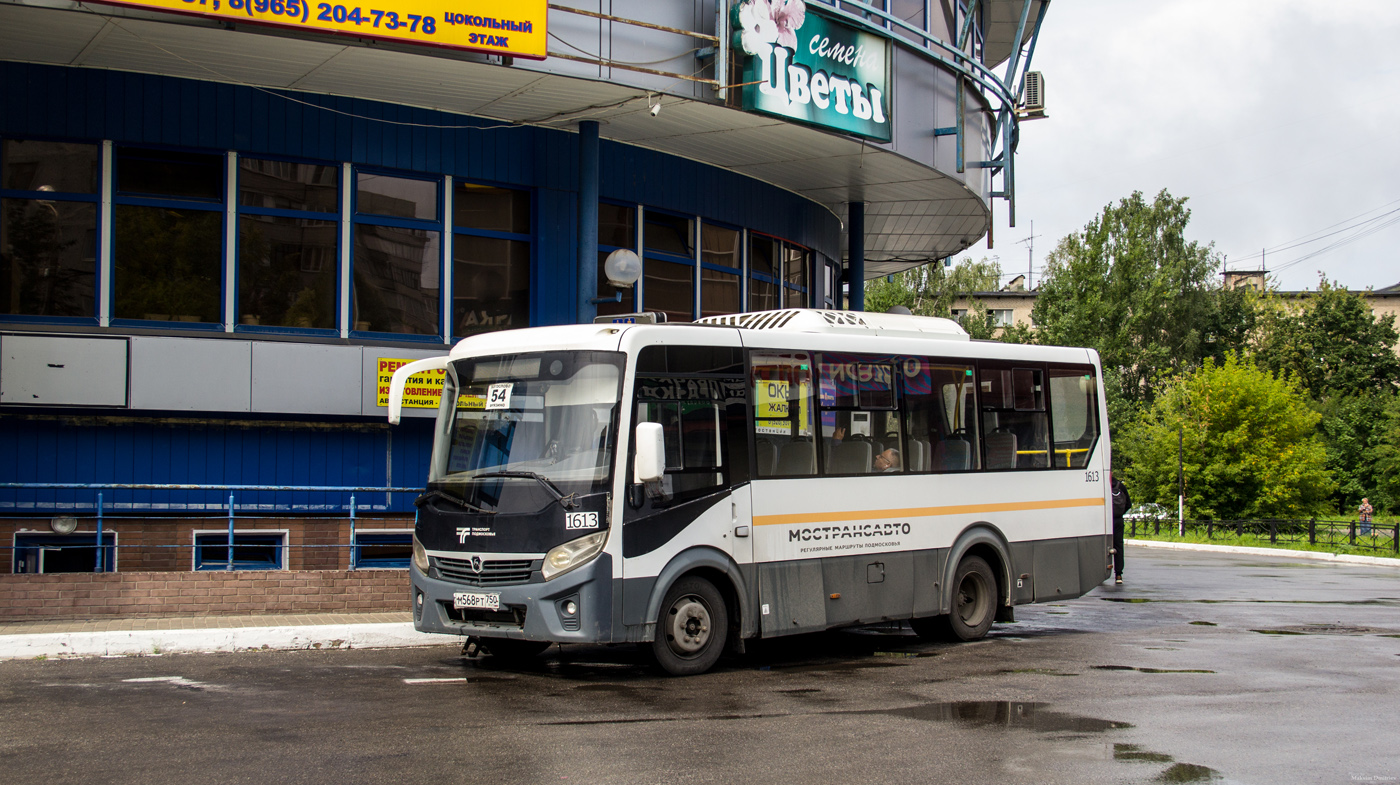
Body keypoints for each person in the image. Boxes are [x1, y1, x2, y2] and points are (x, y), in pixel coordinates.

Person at [1110, 471, 1131, 585]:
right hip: (1118, 520)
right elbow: (1129, 504)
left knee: (1103, 546)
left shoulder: (1102, 486)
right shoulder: (1120, 486)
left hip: (1105, 521)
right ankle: (1118, 575)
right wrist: (1119, 513)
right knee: (1118, 547)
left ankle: (1103, 571)